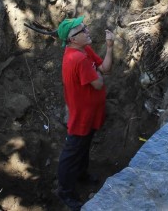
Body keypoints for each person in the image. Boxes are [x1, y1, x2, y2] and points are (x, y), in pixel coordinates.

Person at [56, 16, 114, 210]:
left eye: (85, 28)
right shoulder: (78, 58)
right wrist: (97, 75)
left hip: (90, 113)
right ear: (72, 39)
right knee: (72, 152)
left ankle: (81, 174)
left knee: (84, 146)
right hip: (81, 116)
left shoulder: (84, 49)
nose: (87, 31)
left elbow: (105, 69)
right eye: (83, 31)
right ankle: (65, 192)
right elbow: (99, 83)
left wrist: (110, 46)